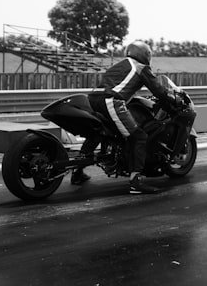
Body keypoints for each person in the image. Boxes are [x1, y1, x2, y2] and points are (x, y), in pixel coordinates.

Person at [72, 41, 178, 194]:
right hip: (111, 101)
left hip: (93, 99)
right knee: (139, 137)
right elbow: (158, 90)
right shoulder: (141, 67)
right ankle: (136, 182)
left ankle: (77, 172)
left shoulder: (121, 64)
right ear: (145, 54)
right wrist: (170, 100)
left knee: (99, 133)